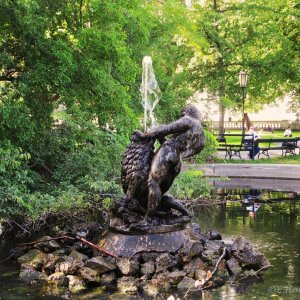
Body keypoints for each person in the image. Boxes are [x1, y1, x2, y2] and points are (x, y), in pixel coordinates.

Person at [141, 105, 206, 217]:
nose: (181, 116)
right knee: (160, 191)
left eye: (182, 114)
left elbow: (166, 130)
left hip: (168, 151)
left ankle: (148, 218)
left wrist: (146, 135)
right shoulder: (202, 135)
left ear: (186, 112)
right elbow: (191, 149)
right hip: (177, 161)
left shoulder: (188, 120)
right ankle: (184, 213)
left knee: (153, 183)